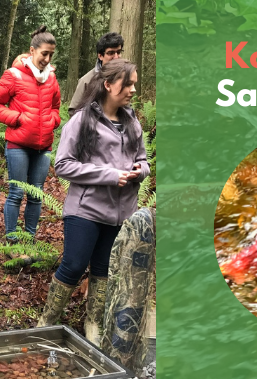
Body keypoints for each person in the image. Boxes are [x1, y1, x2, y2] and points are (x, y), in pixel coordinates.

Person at [37, 59, 150, 346]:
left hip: (121, 213)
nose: (133, 90)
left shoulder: (132, 122)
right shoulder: (82, 121)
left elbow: (142, 160)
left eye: (134, 83)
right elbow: (63, 165)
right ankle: (47, 321)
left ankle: (93, 323)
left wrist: (140, 172)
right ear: (109, 85)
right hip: (85, 210)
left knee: (103, 269)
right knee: (74, 265)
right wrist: (110, 175)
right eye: (128, 84)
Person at [0, 26, 61, 247]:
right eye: (44, 54)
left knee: (36, 194)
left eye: (51, 55)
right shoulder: (14, 75)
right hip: (18, 145)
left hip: (43, 147)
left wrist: (52, 121)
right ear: (32, 51)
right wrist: (16, 118)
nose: (47, 59)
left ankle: (29, 239)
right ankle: (11, 239)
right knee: (17, 192)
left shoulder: (51, 78)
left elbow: (56, 108)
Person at [68, 32, 124, 116]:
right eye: (111, 53)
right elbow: (73, 111)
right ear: (100, 56)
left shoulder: (124, 79)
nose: (116, 57)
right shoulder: (87, 81)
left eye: (118, 52)